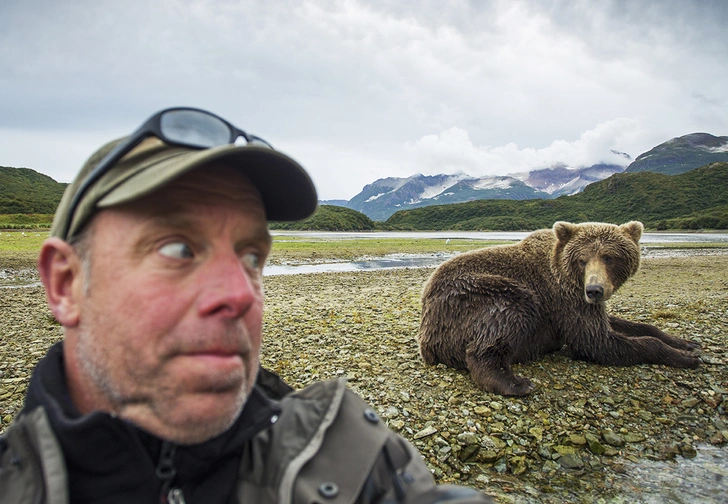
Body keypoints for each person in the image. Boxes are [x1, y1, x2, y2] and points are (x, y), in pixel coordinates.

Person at [0, 107, 493, 503]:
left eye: (252, 256)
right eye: (177, 249)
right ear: (65, 284)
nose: (240, 294)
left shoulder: (356, 459)